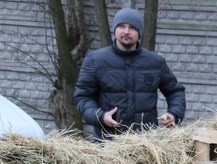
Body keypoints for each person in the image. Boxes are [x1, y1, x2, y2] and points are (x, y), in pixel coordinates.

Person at [74, 7, 185, 139]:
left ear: (139, 33)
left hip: (145, 143)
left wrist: (174, 114)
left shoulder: (155, 62)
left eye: (132, 28)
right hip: (106, 144)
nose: (126, 31)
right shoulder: (95, 61)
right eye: (122, 26)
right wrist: (100, 116)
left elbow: (175, 91)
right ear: (115, 29)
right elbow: (82, 97)